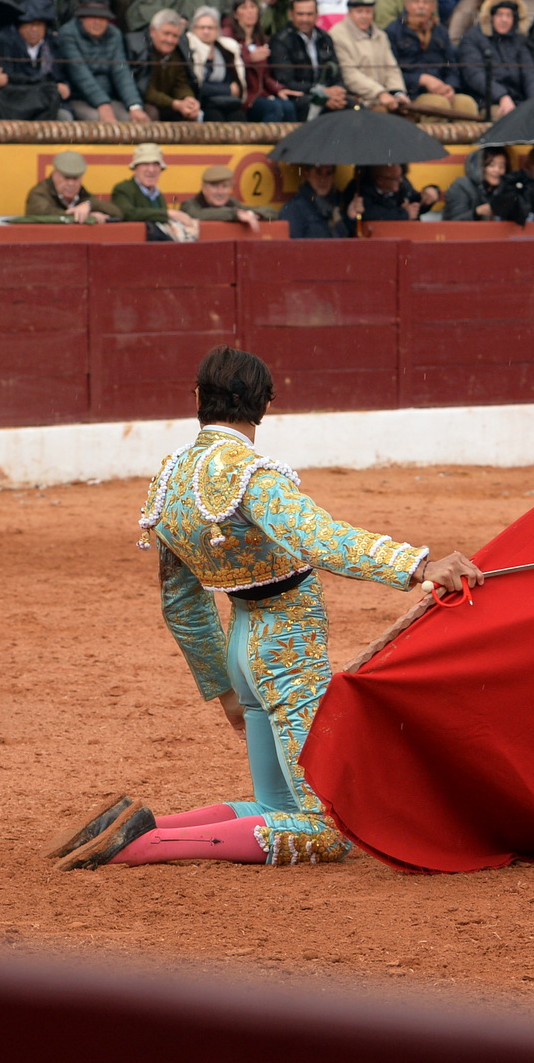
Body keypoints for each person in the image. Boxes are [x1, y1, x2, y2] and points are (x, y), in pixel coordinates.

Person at [50, 346, 480, 870]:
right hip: (286, 650)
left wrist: (225, 688)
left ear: (197, 399)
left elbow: (182, 604)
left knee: (277, 806)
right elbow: (319, 537)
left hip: (241, 648)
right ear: (265, 405)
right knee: (329, 827)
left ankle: (134, 826)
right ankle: (145, 845)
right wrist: (417, 565)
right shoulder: (251, 474)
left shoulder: (171, 480)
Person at [23, 149, 123, 223]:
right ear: (54, 174)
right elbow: (44, 214)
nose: (71, 183)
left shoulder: (82, 194)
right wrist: (88, 217)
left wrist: (89, 205)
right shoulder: (39, 193)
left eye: (75, 178)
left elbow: (116, 213)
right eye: (66, 178)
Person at [182, 164, 278, 233]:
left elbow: (270, 212)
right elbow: (199, 214)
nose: (220, 192)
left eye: (225, 187)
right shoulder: (189, 204)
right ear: (204, 188)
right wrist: (235, 214)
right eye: (215, 187)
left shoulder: (231, 202)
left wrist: (254, 214)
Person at [279, 163, 351, 237]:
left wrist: (352, 218)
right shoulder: (294, 209)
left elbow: (351, 241)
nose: (323, 180)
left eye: (328, 173)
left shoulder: (342, 203)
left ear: (333, 176)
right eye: (318, 173)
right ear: (307, 175)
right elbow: (292, 246)